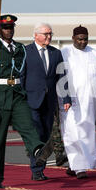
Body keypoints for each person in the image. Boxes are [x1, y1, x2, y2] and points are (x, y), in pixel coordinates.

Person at [0, 15, 45, 188]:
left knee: (28, 126)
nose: (9, 30)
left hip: (17, 94)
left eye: (11, 27)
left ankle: (38, 149)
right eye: (5, 27)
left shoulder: (20, 49)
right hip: (0, 96)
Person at [59, 25, 96, 179]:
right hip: (70, 100)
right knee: (71, 132)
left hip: (91, 99)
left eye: (85, 39)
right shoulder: (64, 53)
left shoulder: (95, 54)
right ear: (73, 39)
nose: (83, 42)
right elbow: (59, 76)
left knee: (87, 132)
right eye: (79, 39)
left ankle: (77, 165)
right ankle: (79, 168)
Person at [20, 22, 71, 180]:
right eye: (45, 34)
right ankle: (37, 169)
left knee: (45, 135)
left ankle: (37, 163)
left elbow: (62, 77)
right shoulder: (25, 52)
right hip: (31, 101)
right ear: (35, 35)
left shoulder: (56, 53)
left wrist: (66, 98)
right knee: (36, 135)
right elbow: (21, 76)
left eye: (50, 34)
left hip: (49, 102)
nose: (49, 37)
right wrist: (21, 98)